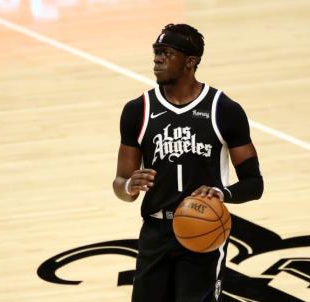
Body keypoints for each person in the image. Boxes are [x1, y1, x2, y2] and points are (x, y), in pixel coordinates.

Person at [112, 23, 264, 302]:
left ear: (190, 62)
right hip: (155, 231)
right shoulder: (137, 111)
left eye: (166, 53)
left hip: (202, 231)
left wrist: (222, 193)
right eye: (156, 52)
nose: (157, 59)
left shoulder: (224, 110)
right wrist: (130, 185)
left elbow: (255, 185)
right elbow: (120, 185)